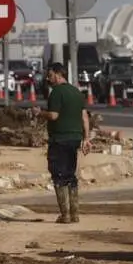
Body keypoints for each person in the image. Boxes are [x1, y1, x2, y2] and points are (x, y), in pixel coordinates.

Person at [32, 63, 90, 224]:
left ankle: (65, 215)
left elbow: (53, 115)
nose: (47, 78)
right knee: (70, 175)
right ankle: (75, 214)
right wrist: (86, 138)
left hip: (59, 139)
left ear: (58, 74)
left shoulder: (56, 92)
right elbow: (85, 117)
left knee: (59, 174)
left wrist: (39, 113)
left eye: (50, 75)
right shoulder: (76, 92)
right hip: (75, 139)